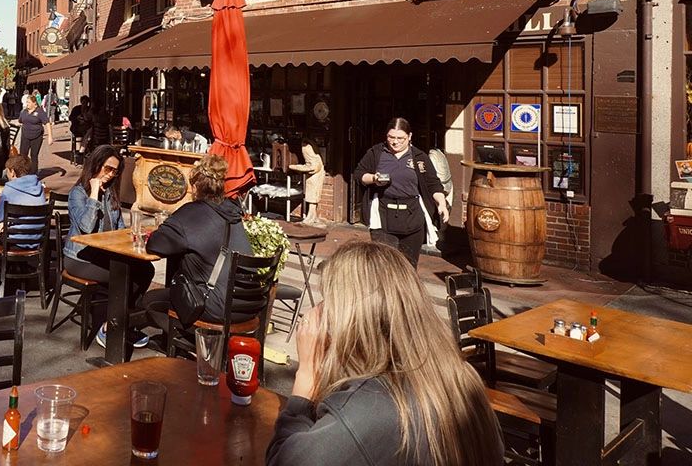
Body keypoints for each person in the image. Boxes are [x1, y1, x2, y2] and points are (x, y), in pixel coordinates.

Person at [265, 240, 503, 466]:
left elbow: (284, 460)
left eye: (330, 302)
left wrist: (306, 378)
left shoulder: (370, 408)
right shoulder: (460, 379)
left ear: (353, 319)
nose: (319, 311)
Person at [143, 154, 252, 329]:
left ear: (194, 187)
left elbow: (155, 245)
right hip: (247, 305)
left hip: (216, 307)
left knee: (150, 301)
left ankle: (188, 342)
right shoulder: (233, 214)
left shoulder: (192, 213)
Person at [64, 144, 153, 349]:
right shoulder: (78, 193)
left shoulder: (111, 194)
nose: (111, 175)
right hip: (79, 258)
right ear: (96, 165)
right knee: (123, 276)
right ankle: (110, 329)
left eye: (115, 171)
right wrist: (94, 192)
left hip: (103, 256)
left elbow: (119, 229)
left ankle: (123, 322)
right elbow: (86, 227)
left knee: (146, 270)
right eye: (107, 168)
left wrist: (132, 238)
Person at [353, 119, 447, 267]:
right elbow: (359, 174)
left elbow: (433, 184)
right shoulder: (376, 152)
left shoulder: (419, 157)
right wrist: (373, 179)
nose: (395, 142)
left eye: (400, 138)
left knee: (408, 267)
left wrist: (441, 203)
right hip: (384, 215)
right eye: (391, 137)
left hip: (412, 215)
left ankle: (406, 291)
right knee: (384, 267)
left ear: (409, 136)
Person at [0, 154, 48, 242]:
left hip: (14, 238)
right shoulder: (40, 187)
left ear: (12, 172)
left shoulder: (8, 189)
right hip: (38, 237)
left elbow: (1, 217)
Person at [17, 93, 52, 175]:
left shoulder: (40, 112)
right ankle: (23, 172)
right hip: (25, 135)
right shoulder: (24, 111)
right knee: (23, 155)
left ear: (34, 103)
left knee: (34, 155)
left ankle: (33, 173)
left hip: (36, 136)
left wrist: (50, 136)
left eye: (28, 102)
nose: (27, 104)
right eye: (26, 102)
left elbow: (47, 123)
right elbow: (20, 120)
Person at [68, 96, 91, 165]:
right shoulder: (76, 109)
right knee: (88, 133)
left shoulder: (89, 109)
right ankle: (85, 149)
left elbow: (90, 119)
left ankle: (85, 149)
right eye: (83, 102)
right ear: (81, 102)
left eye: (86, 102)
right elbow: (70, 117)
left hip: (86, 128)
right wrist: (77, 118)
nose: (85, 104)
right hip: (77, 128)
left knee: (89, 132)